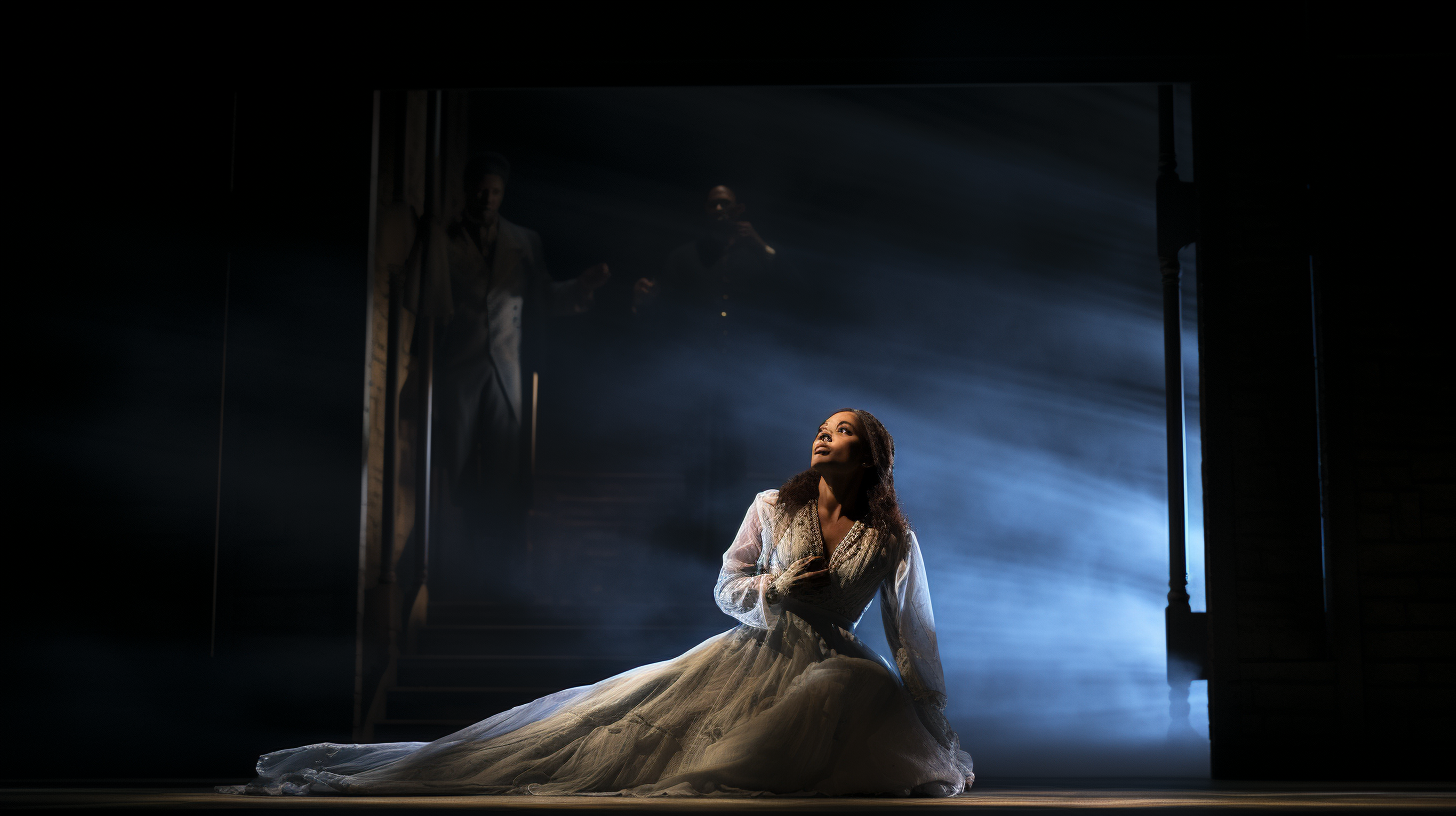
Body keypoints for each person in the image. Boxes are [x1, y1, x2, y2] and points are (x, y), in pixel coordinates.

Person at [219, 409, 974, 797]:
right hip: (759, 652)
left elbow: (911, 636)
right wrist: (776, 588)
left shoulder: (891, 540)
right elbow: (726, 586)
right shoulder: (773, 506)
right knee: (603, 727)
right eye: (819, 427)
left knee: (855, 684)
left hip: (832, 662)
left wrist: (930, 720)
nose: (822, 435)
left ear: (869, 454)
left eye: (841, 432)